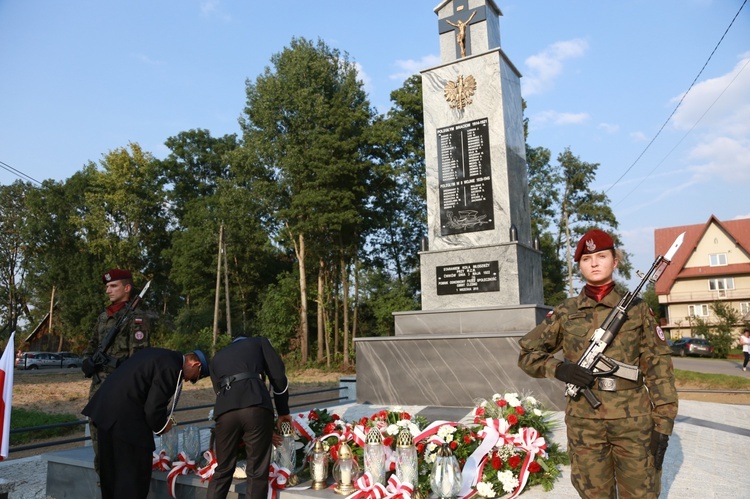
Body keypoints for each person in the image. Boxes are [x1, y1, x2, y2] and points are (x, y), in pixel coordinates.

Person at [517, 229, 677, 498]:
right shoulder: (566, 311)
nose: (594, 263)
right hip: (584, 422)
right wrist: (559, 369)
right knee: (593, 493)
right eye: (586, 258)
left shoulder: (637, 310)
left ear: (615, 261)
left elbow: (659, 366)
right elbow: (527, 354)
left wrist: (663, 424)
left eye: (602, 256)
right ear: (579, 266)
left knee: (642, 492)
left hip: (634, 421)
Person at [82, 347, 210, 499]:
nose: (189, 380)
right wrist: (162, 426)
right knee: (132, 479)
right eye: (195, 377)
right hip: (126, 422)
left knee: (110, 475)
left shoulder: (157, 354)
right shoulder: (171, 368)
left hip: (105, 413)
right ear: (196, 364)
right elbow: (153, 409)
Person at [82, 268, 154, 479]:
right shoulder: (104, 317)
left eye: (113, 286)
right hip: (98, 389)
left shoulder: (137, 319)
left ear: (127, 288)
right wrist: (87, 361)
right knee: (98, 442)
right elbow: (91, 346)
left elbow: (139, 362)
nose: (108, 291)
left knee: (118, 447)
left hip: (120, 393)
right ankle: (103, 484)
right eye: (107, 286)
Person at [206, 335, 292, 499]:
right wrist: (283, 411)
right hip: (255, 404)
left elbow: (218, 390)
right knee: (257, 470)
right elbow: (278, 377)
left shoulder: (217, 357)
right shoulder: (259, 342)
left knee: (223, 469)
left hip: (225, 411)